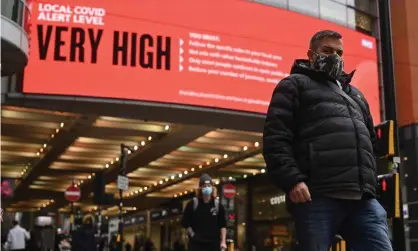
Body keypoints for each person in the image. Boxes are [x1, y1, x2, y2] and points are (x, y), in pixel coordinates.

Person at [263, 30, 392, 251]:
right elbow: (276, 138)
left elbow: (370, 143)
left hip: (362, 199)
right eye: (327, 51)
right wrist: (292, 180)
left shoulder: (356, 95)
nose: (335, 57)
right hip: (317, 196)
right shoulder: (294, 85)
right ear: (311, 54)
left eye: (339, 53)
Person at [182, 173, 227, 251]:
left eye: (209, 186)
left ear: (212, 188)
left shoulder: (217, 205)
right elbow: (185, 223)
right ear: (200, 188)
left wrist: (223, 241)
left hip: (213, 244)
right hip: (196, 244)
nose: (207, 188)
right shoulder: (193, 204)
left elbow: (222, 225)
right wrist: (193, 235)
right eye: (204, 186)